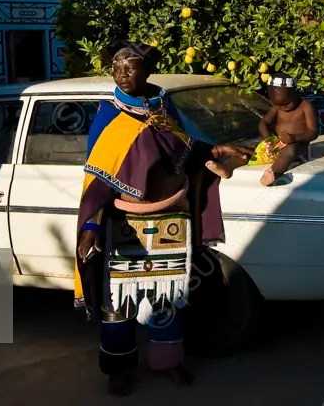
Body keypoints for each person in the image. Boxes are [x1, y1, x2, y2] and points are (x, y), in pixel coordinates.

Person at [74, 41, 251, 398]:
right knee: (117, 302)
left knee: (167, 297)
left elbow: (187, 147)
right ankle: (118, 368)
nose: (123, 71)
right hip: (123, 224)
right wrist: (91, 227)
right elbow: (98, 178)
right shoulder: (109, 114)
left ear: (147, 71)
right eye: (117, 65)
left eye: (131, 65)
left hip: (172, 217)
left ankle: (168, 361)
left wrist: (217, 150)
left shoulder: (165, 107)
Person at [206, 73, 319, 186]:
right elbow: (263, 123)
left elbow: (313, 132)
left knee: (290, 150)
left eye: (287, 103)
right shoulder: (277, 108)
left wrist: (294, 137)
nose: (283, 107)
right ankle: (227, 168)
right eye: (278, 104)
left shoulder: (305, 106)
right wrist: (268, 139)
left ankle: (272, 174)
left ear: (294, 92)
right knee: (249, 151)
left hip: (298, 145)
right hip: (276, 143)